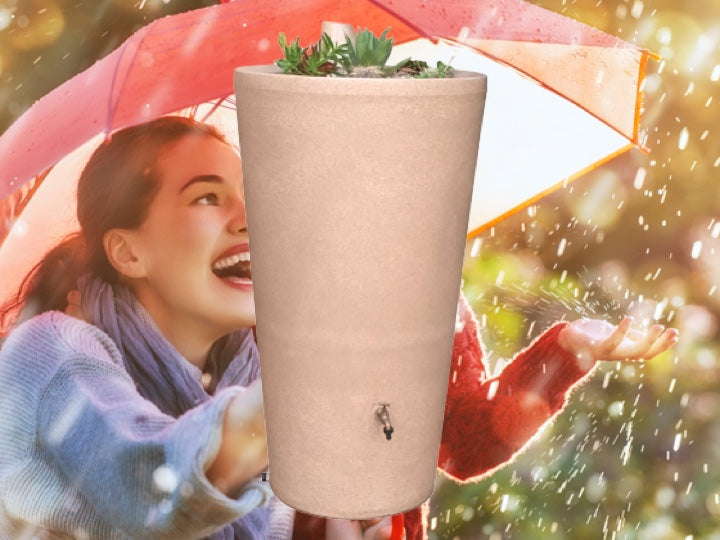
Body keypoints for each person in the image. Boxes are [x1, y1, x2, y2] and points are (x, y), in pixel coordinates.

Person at [0, 115, 677, 540]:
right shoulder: (61, 352)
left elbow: (466, 438)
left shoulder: (262, 344)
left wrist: (562, 356)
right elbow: (150, 487)